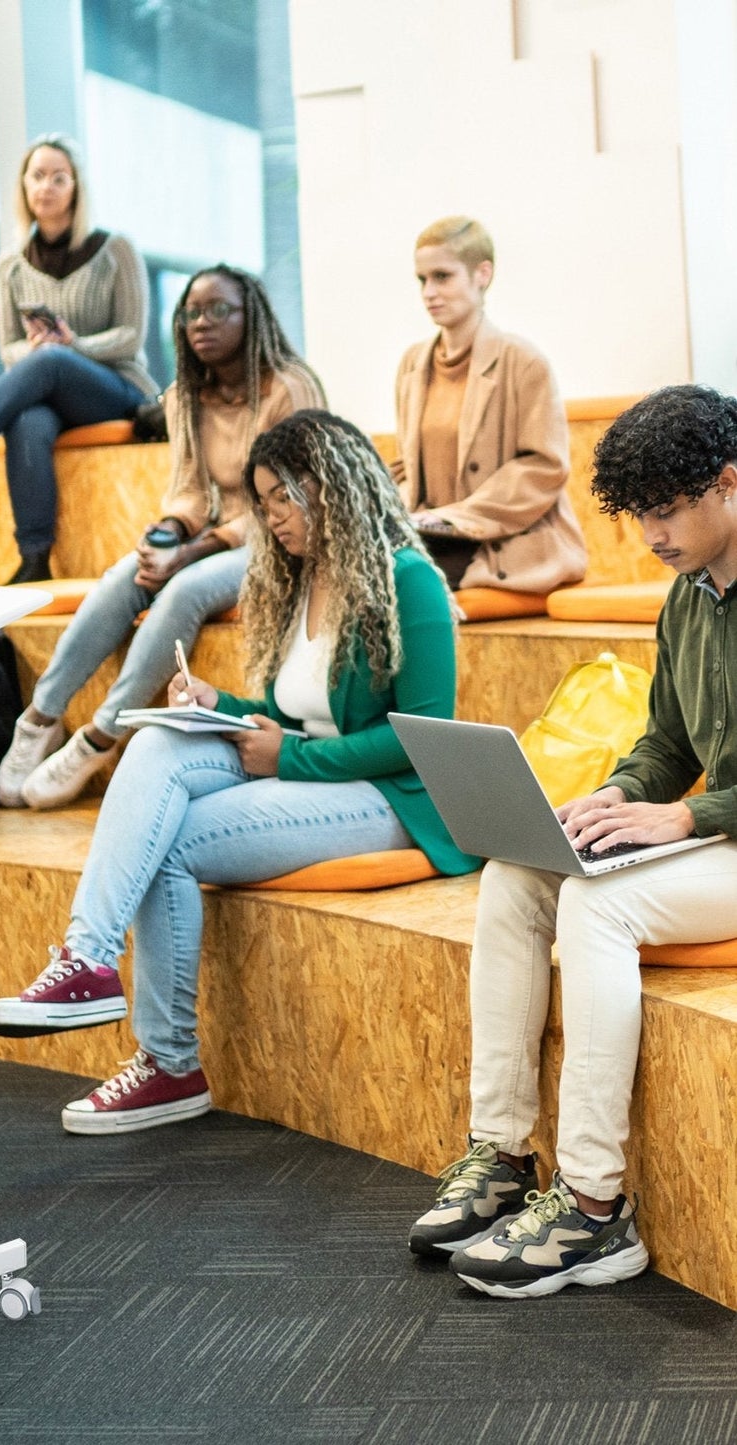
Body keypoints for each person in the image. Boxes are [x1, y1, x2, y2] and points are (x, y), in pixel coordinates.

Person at [0, 410, 479, 1132]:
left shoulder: (408, 581)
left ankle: (168, 1066)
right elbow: (290, 708)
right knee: (156, 743)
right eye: (264, 500)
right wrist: (221, 705)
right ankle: (85, 959)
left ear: (332, 489)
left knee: (169, 841)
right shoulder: (299, 579)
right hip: (307, 772)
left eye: (284, 497)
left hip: (392, 797)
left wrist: (292, 757)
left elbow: (421, 741)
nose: (270, 517)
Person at [409, 384, 737, 1298]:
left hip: (724, 834)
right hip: (720, 836)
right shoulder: (686, 598)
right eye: (639, 516)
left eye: (667, 511)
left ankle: (594, 1211)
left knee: (597, 902)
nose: (651, 536)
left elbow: (691, 794)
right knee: (518, 871)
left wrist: (682, 817)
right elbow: (669, 743)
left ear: (728, 481)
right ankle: (501, 1151)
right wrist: (616, 796)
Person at [0, 265, 325, 810]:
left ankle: (101, 736)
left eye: (220, 310)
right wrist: (166, 535)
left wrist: (192, 552)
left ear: (252, 318)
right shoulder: (185, 395)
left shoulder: (289, 388)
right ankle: (40, 718)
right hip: (214, 536)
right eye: (193, 312)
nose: (203, 322)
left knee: (184, 589)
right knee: (126, 574)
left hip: (282, 538)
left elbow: (294, 498)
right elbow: (189, 490)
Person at [0, 133, 156, 583]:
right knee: (27, 421)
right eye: (37, 177)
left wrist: (73, 346)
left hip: (116, 389)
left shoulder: (116, 251)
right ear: (23, 186)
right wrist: (37, 349)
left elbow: (131, 337)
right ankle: (34, 558)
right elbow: (9, 348)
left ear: (76, 187)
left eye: (59, 178)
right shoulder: (10, 264)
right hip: (49, 396)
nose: (46, 187)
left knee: (52, 360)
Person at [392, 215, 586, 593]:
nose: (428, 292)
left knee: (404, 582)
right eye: (422, 280)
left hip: (502, 540)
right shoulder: (411, 365)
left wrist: (453, 520)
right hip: (427, 535)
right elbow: (406, 468)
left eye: (442, 277)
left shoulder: (523, 361)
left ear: (482, 274)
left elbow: (543, 467)